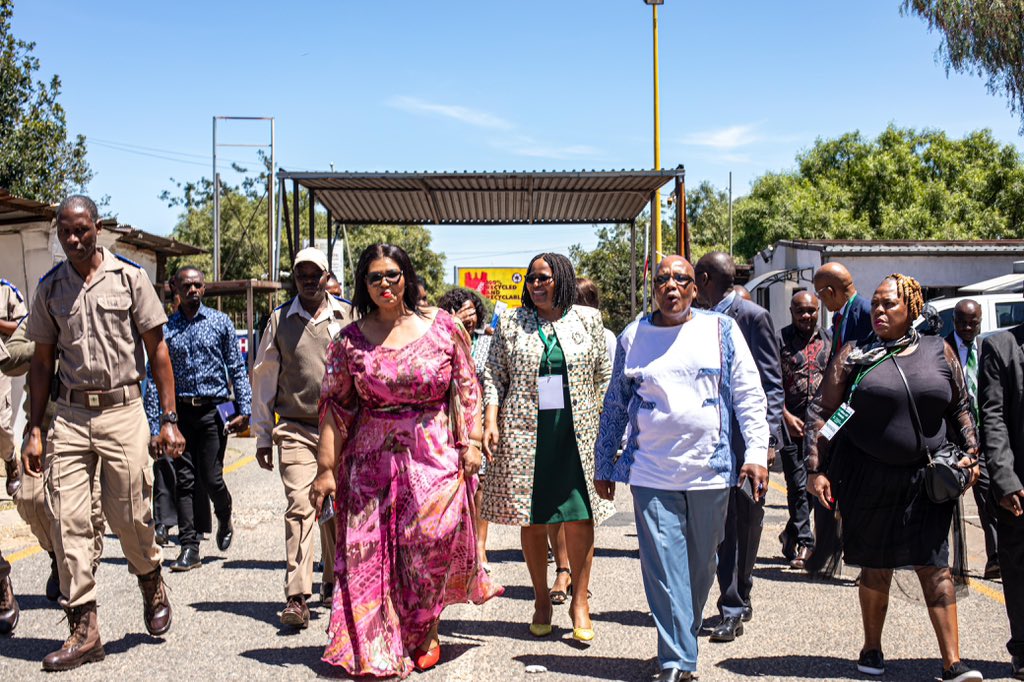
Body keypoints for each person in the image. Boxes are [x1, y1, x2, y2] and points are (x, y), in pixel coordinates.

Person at [310, 243, 500, 677]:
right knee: (369, 554)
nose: (384, 284)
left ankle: (425, 625)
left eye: (391, 274)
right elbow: (335, 407)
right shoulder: (349, 341)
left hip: (432, 455)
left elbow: (467, 386)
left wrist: (472, 441)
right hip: (369, 462)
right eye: (374, 277)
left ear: (406, 277)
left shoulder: (443, 327)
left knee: (428, 543)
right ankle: (378, 641)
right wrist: (325, 470)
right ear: (363, 284)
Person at [23, 195, 185, 671]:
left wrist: (169, 418)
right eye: (65, 232)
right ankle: (85, 628)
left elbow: (158, 352)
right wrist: (35, 428)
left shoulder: (130, 278)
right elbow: (41, 363)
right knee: (67, 519)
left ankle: (150, 578)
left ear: (97, 228)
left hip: (123, 411)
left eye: (82, 230)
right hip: (71, 416)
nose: (73, 239)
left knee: (130, 515)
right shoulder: (50, 288)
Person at [595, 255, 769, 682]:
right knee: (662, 567)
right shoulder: (633, 336)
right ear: (653, 288)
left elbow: (748, 392)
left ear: (695, 288)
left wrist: (756, 452)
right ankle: (676, 660)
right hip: (651, 471)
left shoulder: (721, 330)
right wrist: (604, 462)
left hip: (710, 470)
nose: (671, 286)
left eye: (680, 279)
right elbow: (615, 403)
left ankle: (680, 643)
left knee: (701, 566)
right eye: (662, 280)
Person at [805, 273, 982, 681]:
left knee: (935, 566)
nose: (879, 311)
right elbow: (822, 412)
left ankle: (952, 663)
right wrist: (816, 469)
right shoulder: (854, 354)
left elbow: (960, 408)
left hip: (927, 481)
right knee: (875, 566)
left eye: (890, 304)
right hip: (868, 479)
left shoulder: (939, 351)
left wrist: (972, 455)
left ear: (912, 309)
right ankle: (871, 648)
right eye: (876, 304)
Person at [482, 252, 615, 643]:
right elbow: (494, 376)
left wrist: (606, 431)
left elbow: (604, 376)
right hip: (526, 434)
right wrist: (490, 420)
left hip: (576, 435)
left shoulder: (587, 320)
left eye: (544, 278)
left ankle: (580, 601)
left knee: (580, 516)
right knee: (533, 517)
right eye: (531, 278)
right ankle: (541, 599)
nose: (535, 284)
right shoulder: (512, 322)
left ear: (563, 279)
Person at [251, 247, 354, 628]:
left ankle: (333, 580)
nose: (309, 281)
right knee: (300, 505)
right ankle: (297, 596)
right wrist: (263, 435)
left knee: (335, 508)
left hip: (342, 429)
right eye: (301, 275)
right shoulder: (280, 320)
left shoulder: (347, 315)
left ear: (327, 277)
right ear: (294, 278)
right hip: (296, 428)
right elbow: (264, 378)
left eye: (315, 275)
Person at [693, 252, 783, 642]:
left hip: (746, 443)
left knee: (745, 525)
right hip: (711, 445)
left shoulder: (752, 317)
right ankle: (731, 604)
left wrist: (766, 442)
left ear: (704, 278)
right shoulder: (698, 320)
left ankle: (739, 598)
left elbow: (771, 384)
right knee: (722, 529)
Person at [143, 266, 251, 571]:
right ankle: (189, 547)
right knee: (184, 480)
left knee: (211, 478)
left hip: (214, 410)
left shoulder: (220, 322)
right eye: (186, 285)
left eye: (197, 285)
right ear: (175, 289)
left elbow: (237, 367)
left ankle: (224, 514)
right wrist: (156, 425)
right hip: (179, 414)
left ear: (204, 289)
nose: (192, 290)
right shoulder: (166, 330)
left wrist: (245, 408)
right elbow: (155, 378)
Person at [1, 321, 106, 604]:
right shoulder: (39, 318)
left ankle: (81, 580)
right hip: (43, 429)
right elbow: (9, 358)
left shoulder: (94, 313)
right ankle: (57, 557)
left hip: (86, 428)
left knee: (89, 512)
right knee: (30, 499)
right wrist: (48, 345)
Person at [978, 308, 1024, 679]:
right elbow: (993, 418)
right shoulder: (1001, 347)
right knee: (1019, 567)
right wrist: (1005, 479)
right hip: (1018, 485)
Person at [436, 287, 492, 572]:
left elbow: (490, 381)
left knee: (480, 482)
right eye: (463, 313)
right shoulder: (441, 338)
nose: (469, 319)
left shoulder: (486, 342)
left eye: (473, 313)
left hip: (477, 419)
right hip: (446, 422)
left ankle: (479, 547)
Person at [945, 299, 999, 580]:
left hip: (983, 439)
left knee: (989, 498)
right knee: (946, 501)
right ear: (954, 321)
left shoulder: (988, 349)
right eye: (962, 322)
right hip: (951, 439)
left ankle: (996, 558)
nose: (967, 327)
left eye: (973, 323)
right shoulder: (942, 349)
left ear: (980, 322)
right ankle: (945, 563)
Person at [777, 290, 831, 570]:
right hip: (791, 425)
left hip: (821, 428)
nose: (807, 316)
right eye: (801, 311)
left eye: (811, 310)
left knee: (813, 487)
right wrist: (785, 416)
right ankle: (805, 543)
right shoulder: (780, 341)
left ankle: (790, 533)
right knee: (798, 485)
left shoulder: (829, 340)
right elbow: (770, 384)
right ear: (791, 312)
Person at [814, 262, 875, 357]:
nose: (820, 300)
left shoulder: (869, 313)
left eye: (819, 295)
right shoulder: (838, 317)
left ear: (830, 292)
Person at [0, 276, 27, 497]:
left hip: (0, 366)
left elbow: (22, 325)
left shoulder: (6, 291)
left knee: (1, 423)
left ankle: (10, 459)